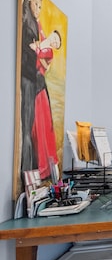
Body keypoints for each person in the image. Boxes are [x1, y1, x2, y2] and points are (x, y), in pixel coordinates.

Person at [20, 0, 45, 174]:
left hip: (33, 78)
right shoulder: (25, 17)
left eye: (40, 6)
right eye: (36, 4)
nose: (37, 9)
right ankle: (27, 171)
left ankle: (32, 170)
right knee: (27, 128)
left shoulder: (35, 22)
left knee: (33, 128)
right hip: (27, 78)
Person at [31, 30, 62, 178]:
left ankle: (45, 166)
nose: (54, 42)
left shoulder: (49, 52)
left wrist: (37, 48)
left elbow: (42, 61)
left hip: (39, 84)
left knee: (44, 123)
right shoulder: (41, 35)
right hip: (34, 82)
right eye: (55, 39)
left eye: (57, 44)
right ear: (52, 34)